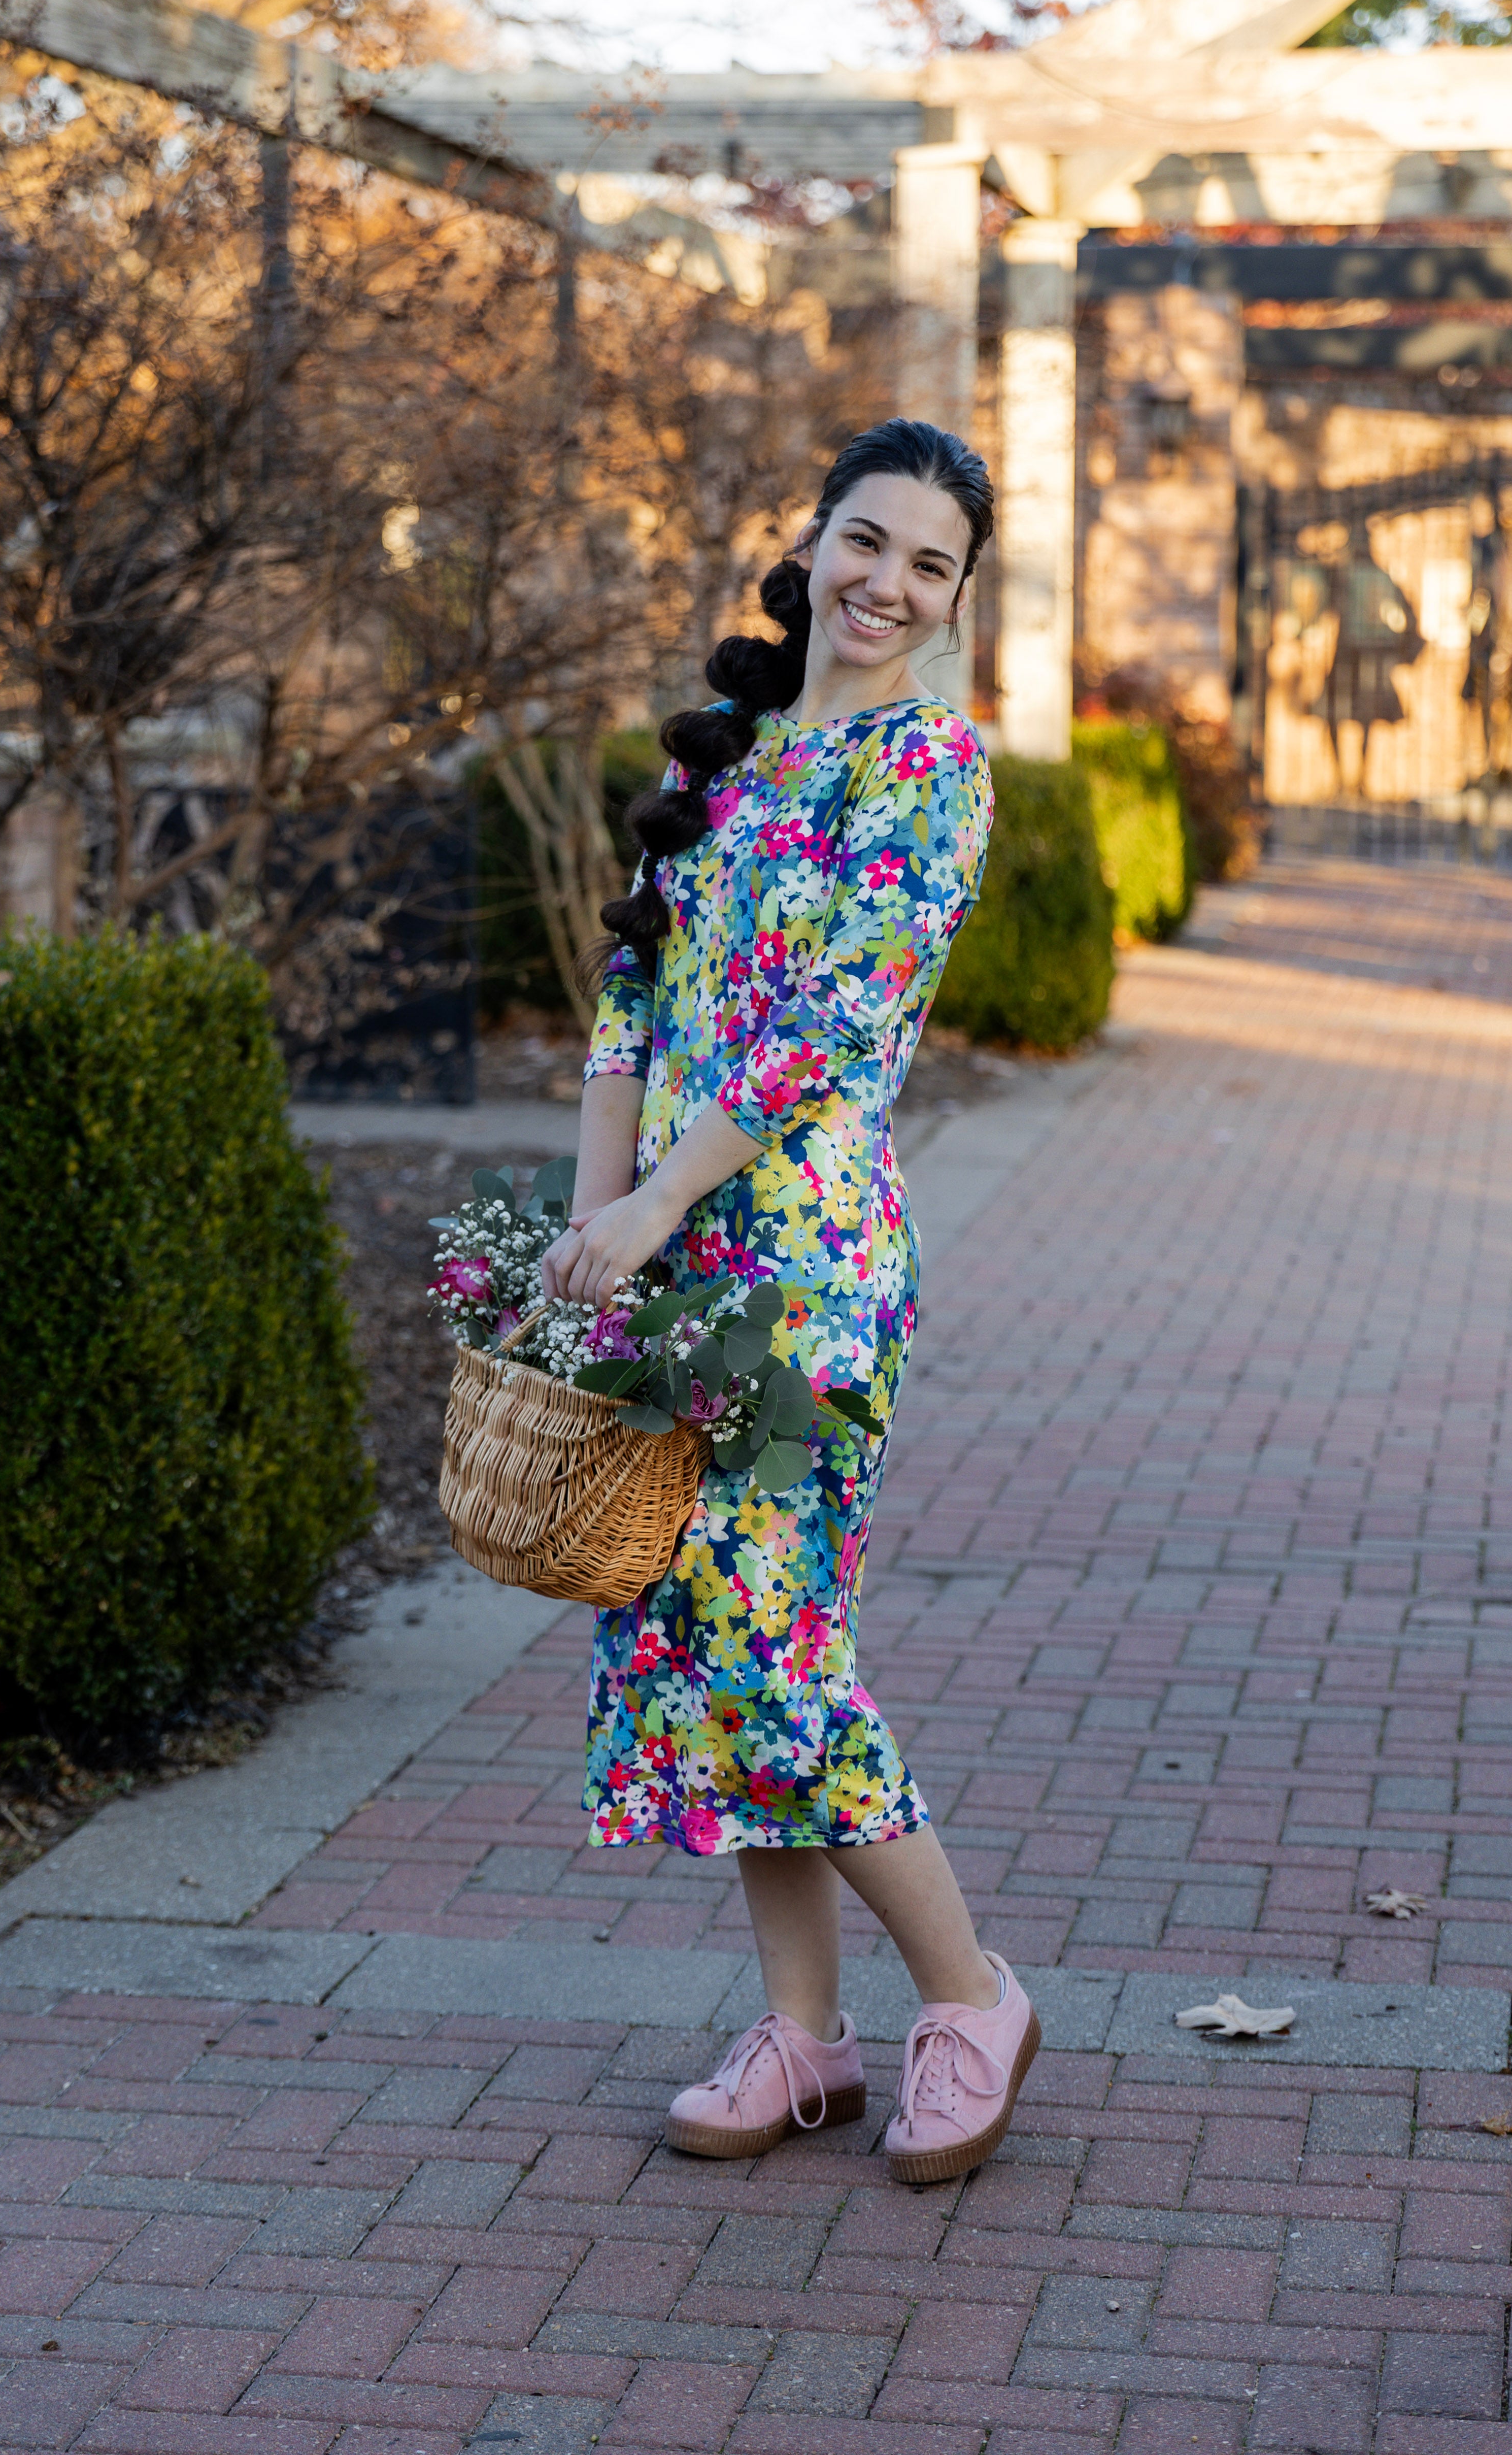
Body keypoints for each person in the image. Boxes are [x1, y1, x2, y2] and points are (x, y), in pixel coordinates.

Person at [540, 418, 1040, 2185]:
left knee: (772, 1641)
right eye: (867, 541)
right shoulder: (731, 757)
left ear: (959, 600)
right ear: (811, 544)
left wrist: (667, 1197)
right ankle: (807, 2038)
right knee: (696, 1646)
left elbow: (825, 1027)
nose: (888, 585)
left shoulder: (931, 773)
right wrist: (594, 1223)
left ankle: (970, 1997)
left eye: (931, 565)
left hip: (810, 1276)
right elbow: (632, 1007)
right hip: (668, 1264)